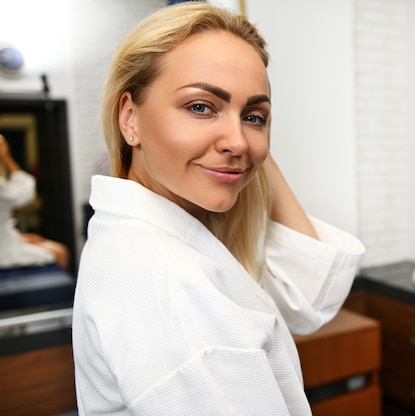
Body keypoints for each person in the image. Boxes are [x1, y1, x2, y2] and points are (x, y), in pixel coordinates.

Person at [71, 2, 365, 415]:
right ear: (130, 118)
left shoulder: (154, 237)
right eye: (200, 106)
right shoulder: (170, 282)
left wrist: (235, 142)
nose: (239, 141)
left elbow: (308, 300)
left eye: (255, 116)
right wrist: (237, 134)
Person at [0, 133, 68, 269]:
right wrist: (5, 157)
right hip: (4, 252)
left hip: (6, 240)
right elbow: (27, 193)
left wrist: (20, 238)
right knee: (60, 252)